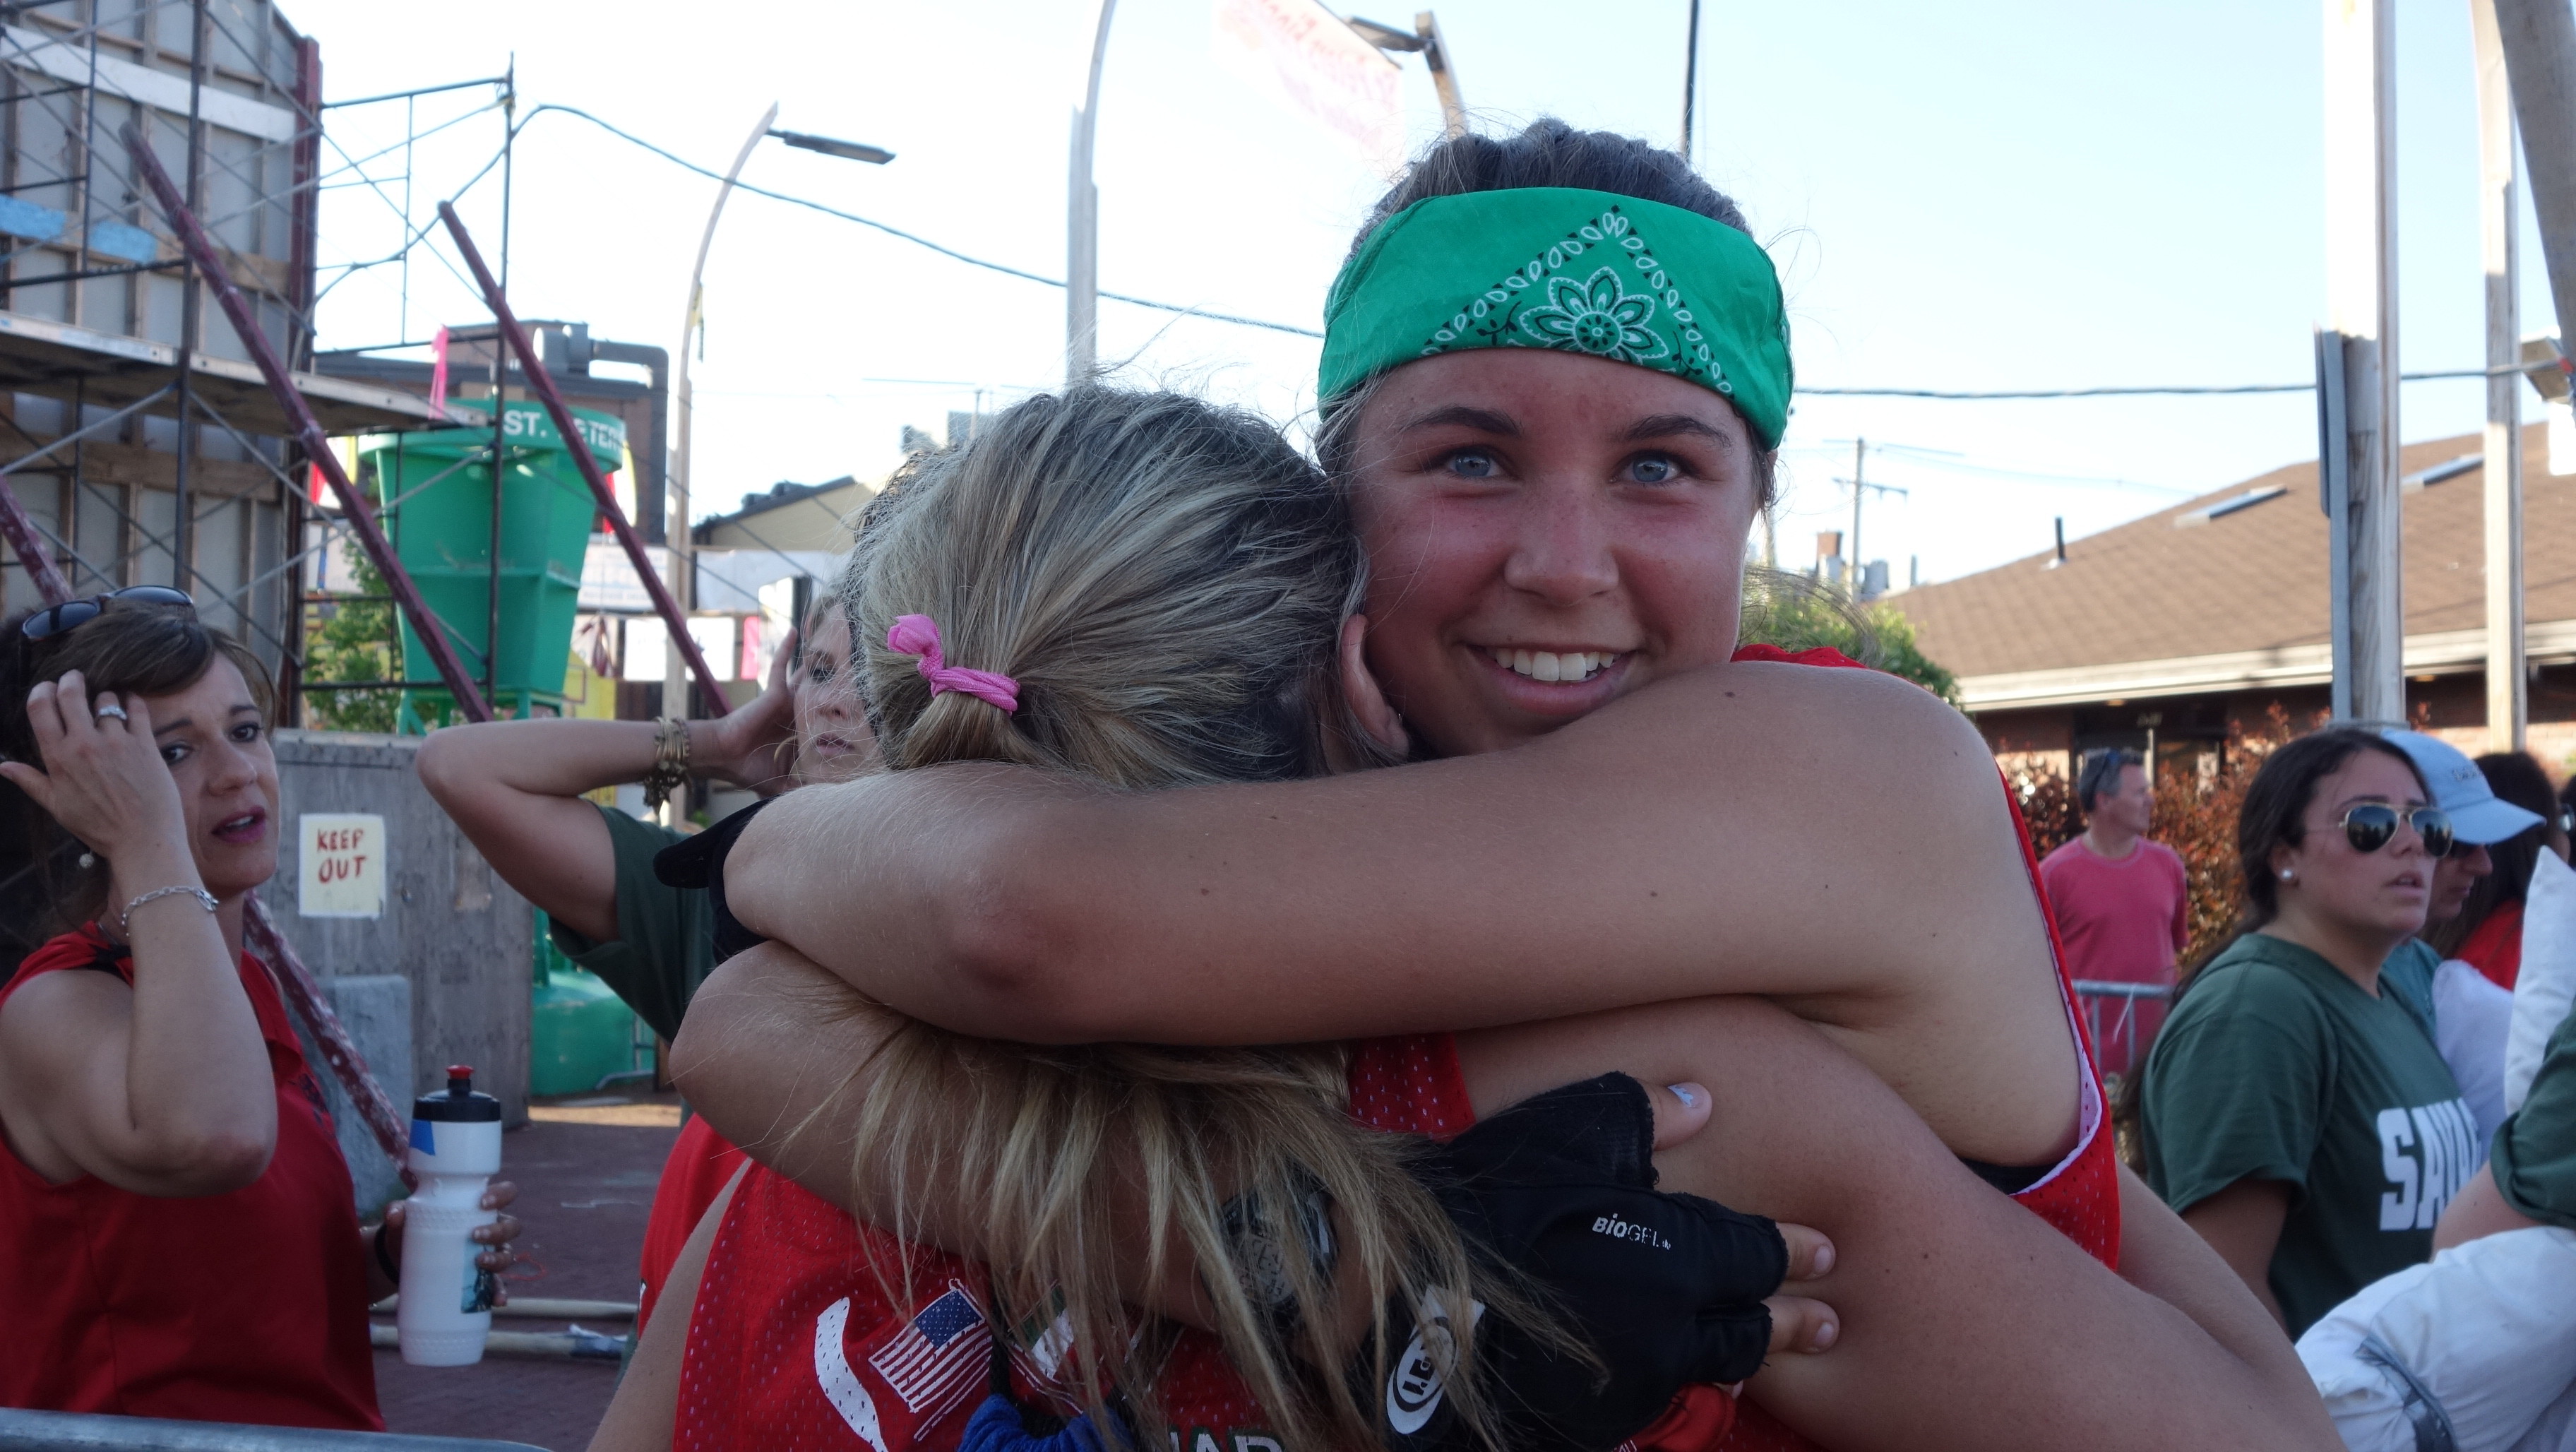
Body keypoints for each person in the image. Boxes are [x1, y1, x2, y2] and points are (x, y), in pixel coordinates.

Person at [685, 121, 2338, 1451]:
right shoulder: (1275, 948)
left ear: (1757, 507)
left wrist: (770, 848)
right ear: (1338, 504)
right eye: (1470, 458)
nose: (1562, 561)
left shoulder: (1840, 777)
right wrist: (1338, 1267)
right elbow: (772, 1015)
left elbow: (991, 921)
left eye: (1660, 467)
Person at [600, 388, 1842, 1452]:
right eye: (1471, 460)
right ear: (1351, 684)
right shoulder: (1657, 1126)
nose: (1562, 567)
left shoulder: (791, 1159)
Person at [0, 592, 520, 1426]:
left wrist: (390, 1254)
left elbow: (243, 1289)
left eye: (245, 731)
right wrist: (144, 842)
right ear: (86, 794)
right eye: (174, 752)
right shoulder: (53, 1006)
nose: (238, 771)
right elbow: (220, 1139)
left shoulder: (246, 986)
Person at [415, 592, 868, 1329]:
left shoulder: (987, 930)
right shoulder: (712, 900)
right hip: (698, 1370)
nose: (835, 700)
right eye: (817, 670)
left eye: (873, 672)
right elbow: (458, 765)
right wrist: (717, 742)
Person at [2138, 727, 2479, 1338]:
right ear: (2283, 857)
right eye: (2371, 823)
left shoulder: (2390, 992)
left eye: (2429, 826)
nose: (2412, 845)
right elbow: (2224, 1295)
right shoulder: (2257, 1011)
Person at [2397, 741, 2561, 1144]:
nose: (2484, 864)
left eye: (2489, 844)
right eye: (2450, 840)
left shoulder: (2437, 975)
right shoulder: (2280, 996)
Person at [2040, 748, 2188, 1082]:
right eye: (2139, 792)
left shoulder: (2168, 865)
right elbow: (2032, 968)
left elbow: (2176, 946)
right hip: (2084, 1069)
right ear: (2104, 801)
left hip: (2160, 1060)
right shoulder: (2055, 874)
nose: (2150, 800)